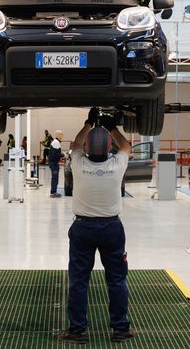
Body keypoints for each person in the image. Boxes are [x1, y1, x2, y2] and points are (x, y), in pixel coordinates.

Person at [58, 111, 135, 344]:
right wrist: (113, 128)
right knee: (117, 280)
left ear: (88, 148)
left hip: (83, 229)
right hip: (112, 228)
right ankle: (120, 329)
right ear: (109, 146)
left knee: (79, 280)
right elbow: (126, 146)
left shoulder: (79, 163)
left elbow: (75, 144)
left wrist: (88, 123)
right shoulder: (117, 164)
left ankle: (77, 331)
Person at [47, 132, 65, 197]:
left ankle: (54, 191)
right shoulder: (56, 142)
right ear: (58, 135)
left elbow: (55, 154)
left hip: (54, 162)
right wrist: (63, 155)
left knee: (55, 178)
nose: (62, 136)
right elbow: (54, 154)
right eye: (61, 134)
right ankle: (53, 192)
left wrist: (61, 157)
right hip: (53, 163)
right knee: (55, 178)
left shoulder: (56, 142)